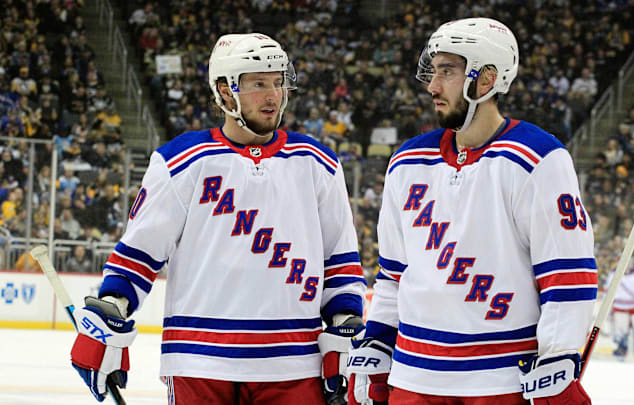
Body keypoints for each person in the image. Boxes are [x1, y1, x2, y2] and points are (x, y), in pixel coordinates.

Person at [68, 33, 366, 405]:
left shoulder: (318, 163)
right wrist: (110, 309)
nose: (273, 95)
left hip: (293, 363)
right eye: (258, 84)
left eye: (277, 82)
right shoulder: (180, 161)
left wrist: (347, 322)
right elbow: (140, 254)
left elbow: (339, 259)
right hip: (198, 362)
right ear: (225, 90)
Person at [347, 18, 596, 405]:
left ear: (486, 79)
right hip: (414, 376)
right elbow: (393, 275)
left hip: (500, 380)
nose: (432, 86)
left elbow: (567, 278)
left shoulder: (538, 158)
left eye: (447, 71)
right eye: (434, 71)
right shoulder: (407, 161)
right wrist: (377, 343)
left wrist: (558, 356)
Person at [606, 266, 634, 362]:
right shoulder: (613, 274)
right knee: (621, 331)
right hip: (619, 307)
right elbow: (608, 292)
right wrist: (608, 308)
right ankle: (622, 349)